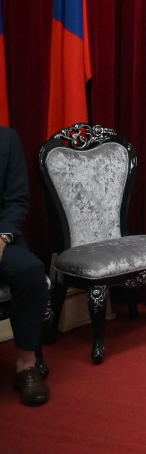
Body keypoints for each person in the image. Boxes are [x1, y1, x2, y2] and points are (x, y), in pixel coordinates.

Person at [0, 127, 49, 407]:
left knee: (30, 271)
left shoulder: (7, 139)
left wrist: (2, 238)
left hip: (2, 239)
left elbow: (17, 199)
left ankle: (26, 366)